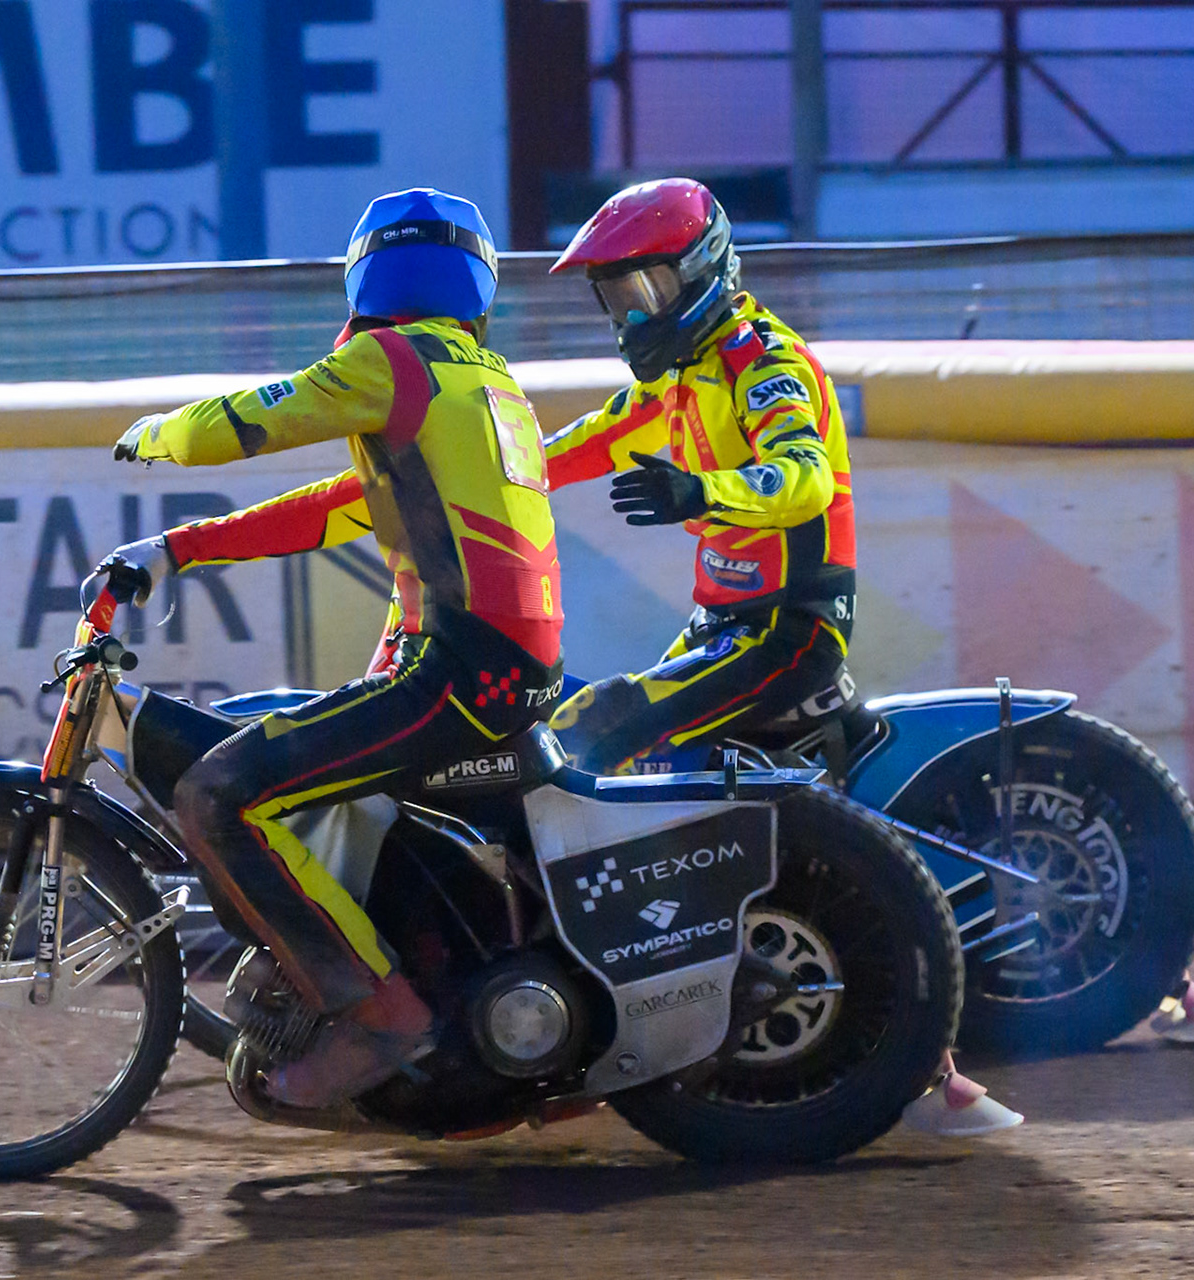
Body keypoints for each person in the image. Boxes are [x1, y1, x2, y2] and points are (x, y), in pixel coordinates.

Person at [539, 177, 1025, 1134]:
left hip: (785, 631)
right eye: (614, 296)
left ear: (700, 269)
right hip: (723, 629)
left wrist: (700, 494)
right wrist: (492, 479)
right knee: (598, 739)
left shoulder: (766, 363)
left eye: (641, 288)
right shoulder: (677, 378)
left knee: (588, 732)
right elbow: (582, 446)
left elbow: (801, 477)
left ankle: (598, 997)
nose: (628, 313)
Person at [103, 188, 564, 1109]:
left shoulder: (390, 359)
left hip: (462, 672)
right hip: (495, 669)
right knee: (291, 761)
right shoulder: (481, 383)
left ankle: (382, 1013)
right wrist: (181, 549)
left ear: (362, 275)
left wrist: (159, 435)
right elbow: (334, 510)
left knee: (218, 791)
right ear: (477, 282)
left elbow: (258, 416)